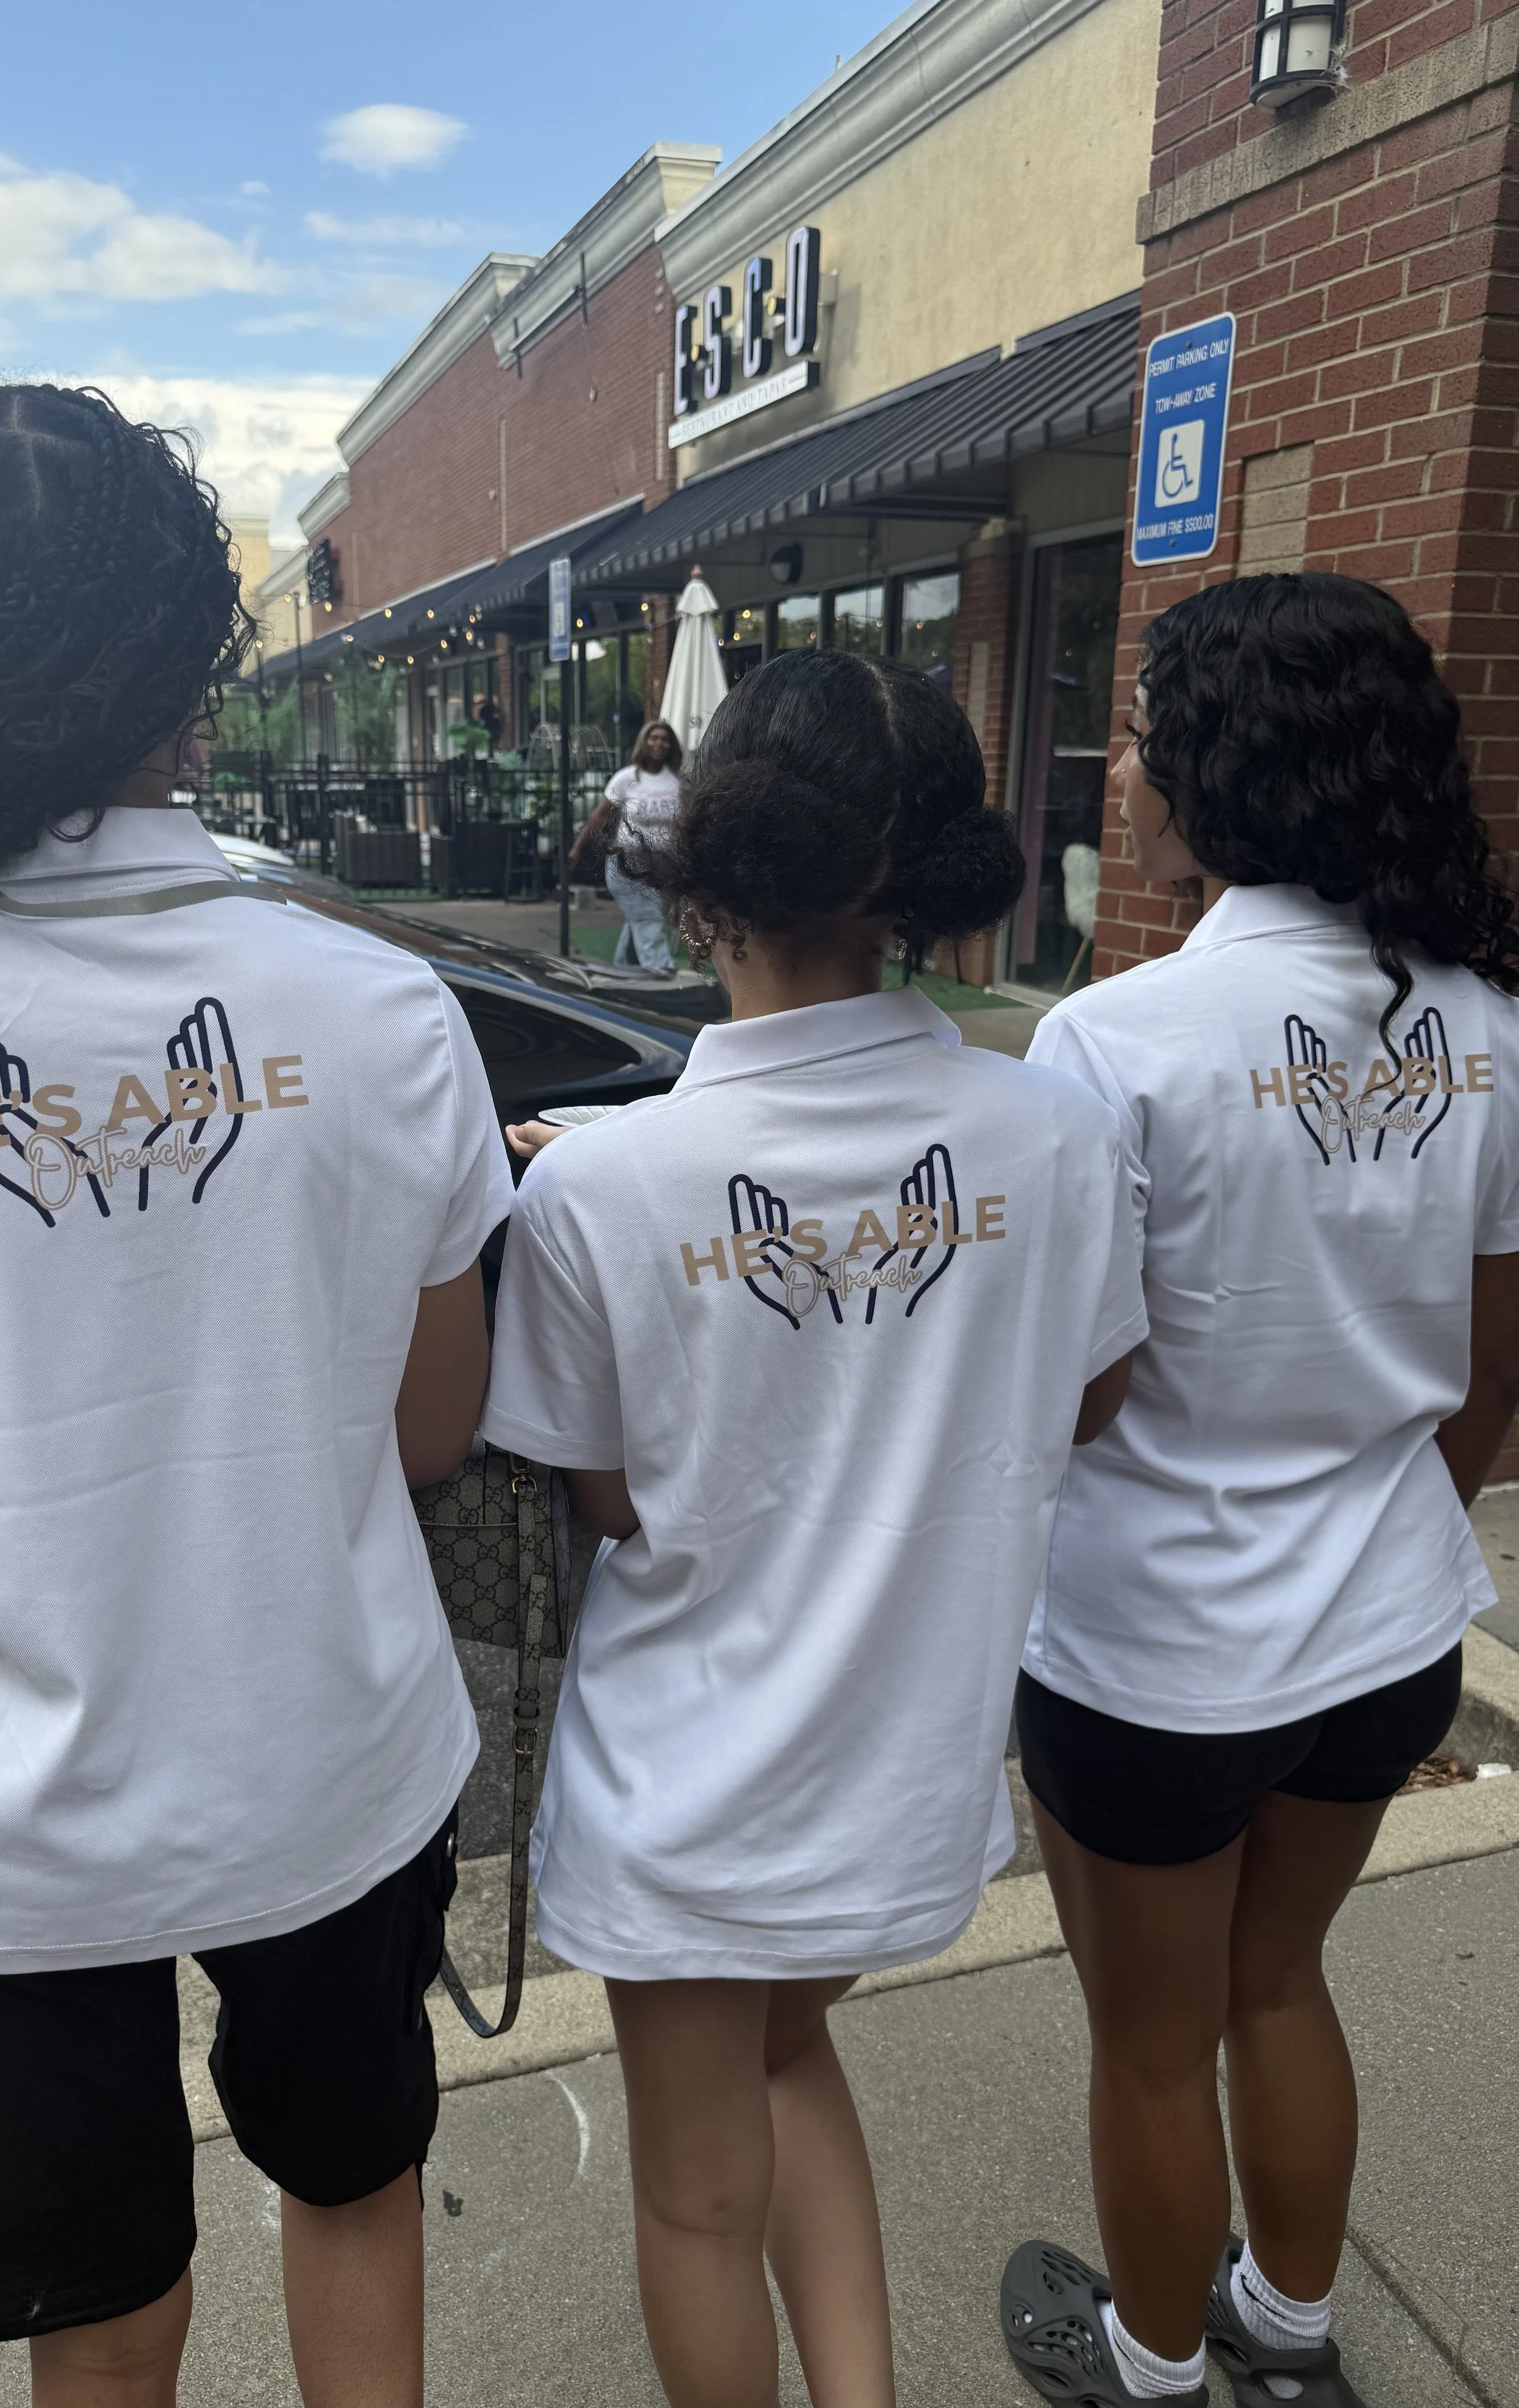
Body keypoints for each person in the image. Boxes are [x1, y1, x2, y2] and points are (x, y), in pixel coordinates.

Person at [0, 385, 511, 2407]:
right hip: (329, 1757)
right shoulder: (381, 1005)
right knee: (352, 2189)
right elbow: (430, 1431)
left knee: (101, 2301)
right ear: (179, 666)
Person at [487, 647, 1148, 2408]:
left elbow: (607, 1494)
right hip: (904, 1769)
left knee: (695, 2201)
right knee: (790, 2066)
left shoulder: (601, 1185)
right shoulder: (1056, 1137)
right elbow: (1085, 1398)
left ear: (703, 870)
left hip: (694, 1788)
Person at [1002, 574, 1519, 2408]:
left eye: (1140, 728)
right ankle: (1288, 2344)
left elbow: (1085, 1396)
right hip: (1384, 1630)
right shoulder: (1484, 1022)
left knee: (1151, 2048)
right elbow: (1486, 1366)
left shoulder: (1118, 1041)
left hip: (1153, 1645)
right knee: (1280, 1985)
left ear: (1219, 764)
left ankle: (1149, 2372)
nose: (1120, 765)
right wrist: (1380, 1514)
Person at [602, 719, 683, 971]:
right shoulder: (626, 778)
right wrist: (577, 849)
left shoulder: (676, 783)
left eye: (665, 739)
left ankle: (623, 968)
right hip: (626, 864)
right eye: (654, 737)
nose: (659, 743)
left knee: (640, 916)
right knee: (648, 917)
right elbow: (600, 815)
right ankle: (662, 971)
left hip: (660, 866)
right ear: (644, 742)